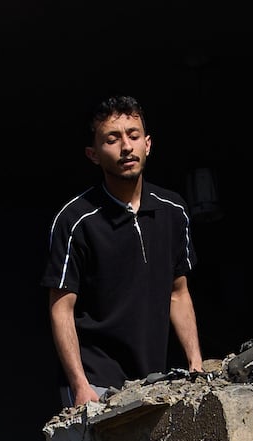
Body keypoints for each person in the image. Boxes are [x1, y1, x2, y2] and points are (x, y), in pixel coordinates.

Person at [44, 94, 204, 408]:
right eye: (112, 139)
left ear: (148, 144)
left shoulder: (174, 211)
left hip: (153, 379)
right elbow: (61, 308)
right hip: (96, 380)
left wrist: (195, 364)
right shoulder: (76, 219)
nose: (126, 147)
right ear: (93, 154)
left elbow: (178, 293)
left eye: (133, 135)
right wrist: (80, 385)